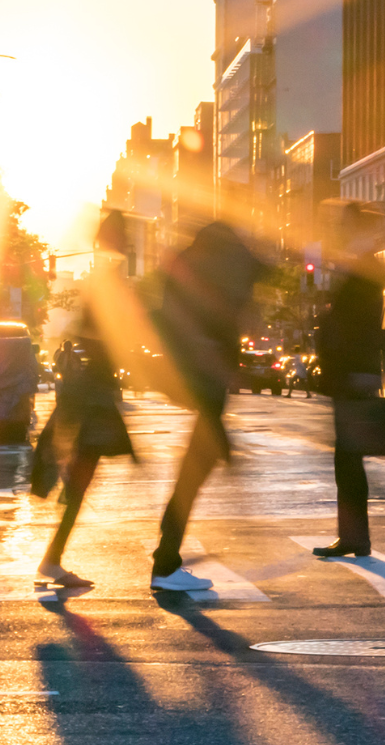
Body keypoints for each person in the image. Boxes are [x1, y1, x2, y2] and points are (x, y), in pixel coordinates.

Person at [148, 221, 266, 592]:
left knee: (194, 468)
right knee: (193, 471)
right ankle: (166, 562)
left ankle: (167, 557)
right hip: (206, 383)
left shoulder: (192, 269)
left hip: (201, 383)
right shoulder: (212, 281)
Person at [34, 210, 137, 588]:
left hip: (91, 394)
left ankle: (53, 558)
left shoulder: (105, 280)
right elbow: (102, 337)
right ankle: (52, 559)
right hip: (92, 397)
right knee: (79, 478)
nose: (127, 243)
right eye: (123, 236)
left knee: (78, 479)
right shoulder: (108, 283)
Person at [312, 203, 385, 559]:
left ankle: (354, 537)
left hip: (352, 374)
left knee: (348, 457)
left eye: (344, 225)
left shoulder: (364, 270)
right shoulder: (361, 268)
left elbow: (358, 328)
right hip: (352, 372)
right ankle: (352, 535)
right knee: (348, 457)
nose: (338, 231)